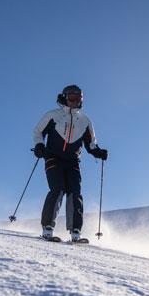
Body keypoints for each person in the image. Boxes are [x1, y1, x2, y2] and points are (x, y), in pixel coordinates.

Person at [31, 85, 108, 243]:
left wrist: (98, 152)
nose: (75, 102)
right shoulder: (53, 115)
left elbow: (91, 144)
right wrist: (39, 146)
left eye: (78, 99)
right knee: (57, 189)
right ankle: (47, 229)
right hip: (53, 157)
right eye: (72, 98)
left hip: (73, 161)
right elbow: (38, 131)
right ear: (65, 97)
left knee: (75, 192)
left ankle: (75, 232)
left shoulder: (85, 121)